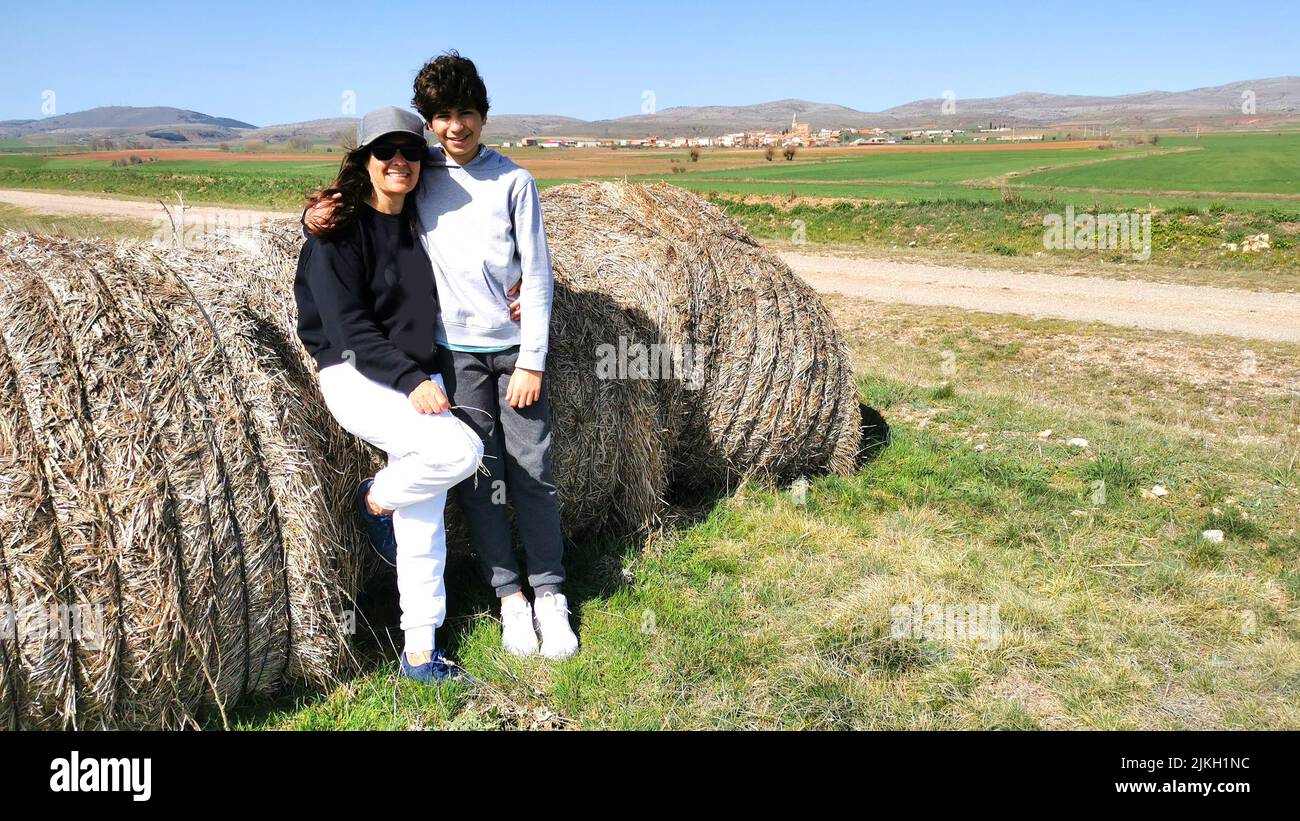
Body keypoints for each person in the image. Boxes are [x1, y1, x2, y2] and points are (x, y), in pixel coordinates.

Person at [307, 52, 578, 659]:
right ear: (430, 124)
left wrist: (533, 357)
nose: (454, 127)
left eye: (466, 114)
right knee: (481, 476)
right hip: (452, 357)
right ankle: (508, 598)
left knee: (533, 473)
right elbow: (365, 191)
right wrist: (314, 212)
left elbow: (536, 276)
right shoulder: (420, 170)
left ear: (484, 116)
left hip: (510, 354)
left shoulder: (512, 181)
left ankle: (551, 593)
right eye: (441, 117)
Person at [294, 106, 484, 683]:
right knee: (458, 454)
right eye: (384, 151)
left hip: (418, 376)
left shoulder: (421, 222)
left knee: (424, 513)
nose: (398, 160)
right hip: (357, 377)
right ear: (364, 162)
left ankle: (421, 652)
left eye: (408, 149)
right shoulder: (336, 233)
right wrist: (412, 381)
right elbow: (350, 333)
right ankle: (374, 499)